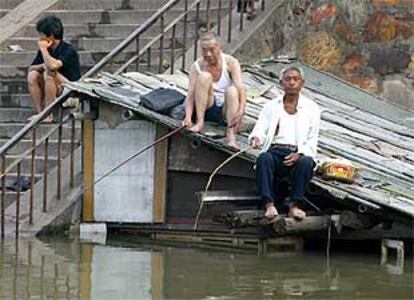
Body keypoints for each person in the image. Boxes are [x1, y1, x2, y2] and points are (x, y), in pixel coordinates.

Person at [249, 66, 320, 220]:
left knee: (307, 162)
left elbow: (312, 139)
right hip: (276, 152)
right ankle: (269, 204)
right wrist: (256, 138)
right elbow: (260, 127)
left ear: (302, 83)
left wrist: (300, 153)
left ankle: (294, 205)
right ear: (281, 83)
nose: (292, 83)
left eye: (296, 79)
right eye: (288, 79)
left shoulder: (312, 108)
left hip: (297, 152)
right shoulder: (271, 106)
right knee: (264, 159)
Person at [182, 31, 246, 149]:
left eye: (212, 49)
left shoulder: (231, 62)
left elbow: (240, 88)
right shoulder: (197, 66)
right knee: (204, 77)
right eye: (204, 50)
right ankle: (200, 122)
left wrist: (241, 110)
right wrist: (188, 117)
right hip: (207, 105)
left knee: (232, 90)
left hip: (226, 109)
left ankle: (231, 136)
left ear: (219, 48)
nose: (208, 54)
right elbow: (190, 94)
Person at [27, 15, 81, 123]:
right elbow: (31, 68)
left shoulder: (68, 49)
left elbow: (53, 66)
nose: (40, 38)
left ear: (50, 36)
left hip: (69, 89)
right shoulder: (46, 50)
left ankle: (48, 115)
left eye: (42, 34)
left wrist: (43, 50)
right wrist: (42, 64)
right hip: (52, 85)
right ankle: (41, 113)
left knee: (49, 72)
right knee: (32, 75)